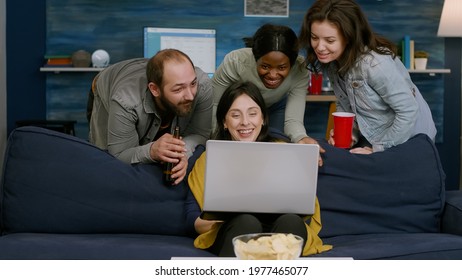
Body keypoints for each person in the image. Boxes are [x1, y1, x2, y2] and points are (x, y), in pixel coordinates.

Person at [185, 81, 331, 257]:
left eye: (252, 114)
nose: (245, 122)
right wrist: (226, 217)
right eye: (235, 115)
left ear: (262, 119)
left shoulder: (285, 152)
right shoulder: (209, 159)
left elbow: (305, 211)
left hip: (280, 228)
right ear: (224, 121)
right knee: (246, 222)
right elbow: (193, 220)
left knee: (291, 221)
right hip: (233, 230)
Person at [299, 0, 437, 154]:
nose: (319, 47)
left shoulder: (374, 64)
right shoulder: (334, 63)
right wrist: (351, 133)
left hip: (411, 143)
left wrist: (378, 149)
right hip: (378, 141)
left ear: (349, 37)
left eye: (329, 40)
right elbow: (348, 106)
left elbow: (409, 110)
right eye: (314, 37)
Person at [88, 49, 213, 185]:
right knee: (104, 164)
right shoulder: (124, 100)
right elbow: (118, 155)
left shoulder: (203, 85)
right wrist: (151, 150)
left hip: (147, 78)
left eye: (193, 84)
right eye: (178, 89)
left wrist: (183, 154)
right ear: (154, 89)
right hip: (107, 85)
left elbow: (200, 133)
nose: (190, 96)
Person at [212, 23, 320, 146]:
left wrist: (301, 137)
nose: (273, 75)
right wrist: (215, 143)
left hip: (276, 106)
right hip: (241, 111)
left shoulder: (300, 70)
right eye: (265, 66)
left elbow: (293, 120)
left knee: (276, 145)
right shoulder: (235, 63)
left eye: (282, 67)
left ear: (292, 64)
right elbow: (215, 105)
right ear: (255, 59)